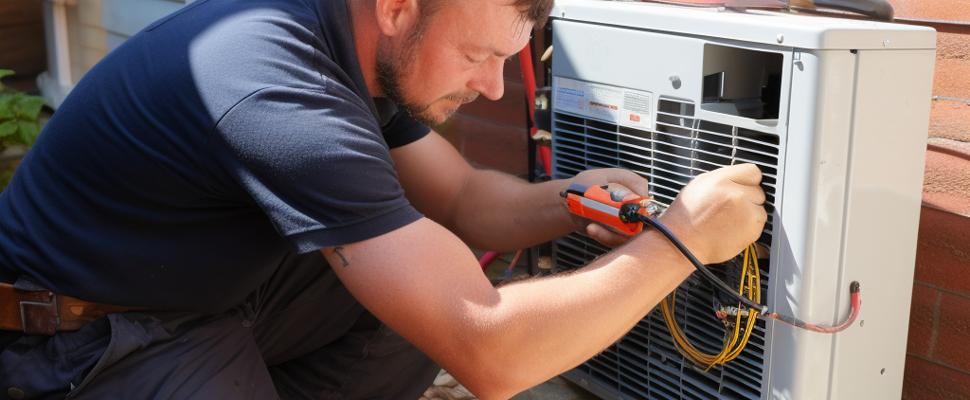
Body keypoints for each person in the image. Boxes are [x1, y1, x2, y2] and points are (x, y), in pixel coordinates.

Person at [0, 0, 766, 398]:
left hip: (199, 292)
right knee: (440, 303)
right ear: (399, 8)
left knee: (417, 279)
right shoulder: (277, 85)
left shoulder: (350, 42)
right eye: (477, 54)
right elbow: (492, 355)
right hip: (84, 341)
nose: (493, 86)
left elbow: (463, 198)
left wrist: (573, 199)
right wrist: (683, 239)